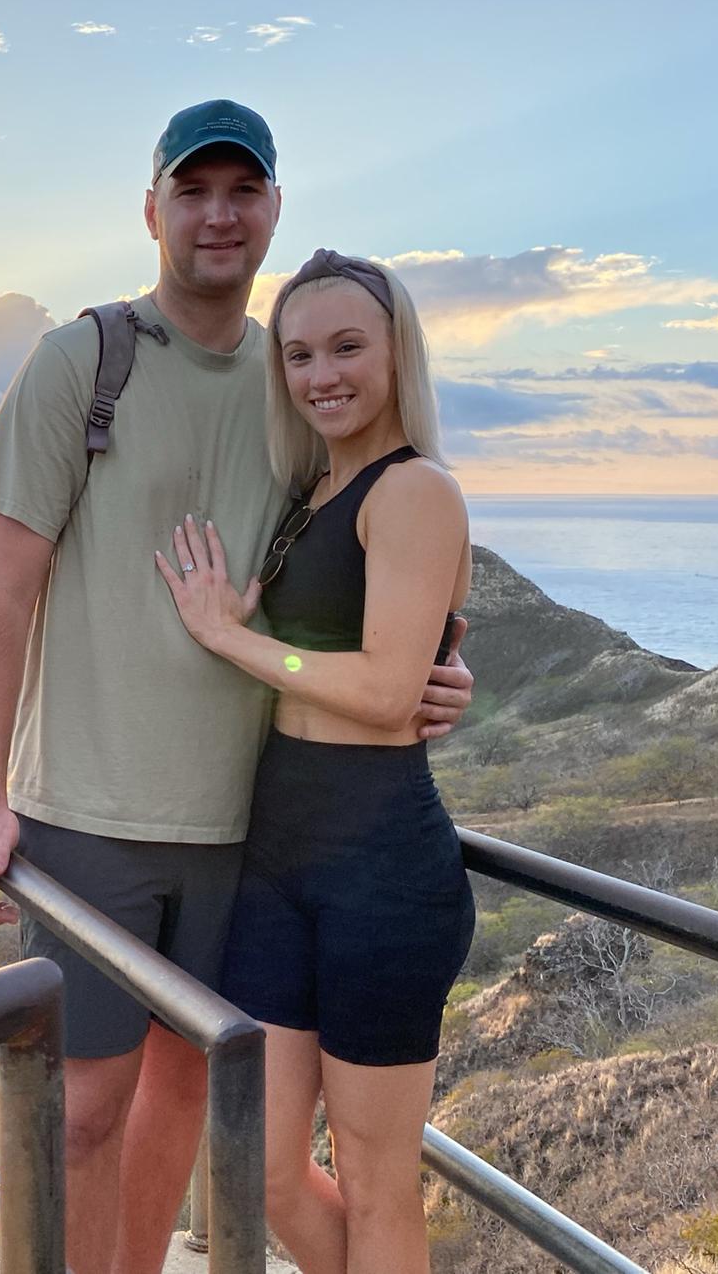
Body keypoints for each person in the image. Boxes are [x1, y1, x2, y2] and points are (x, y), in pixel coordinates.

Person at [0, 101, 475, 1274]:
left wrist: (436, 667)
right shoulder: (82, 361)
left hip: (246, 828)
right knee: (84, 1112)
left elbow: (367, 554)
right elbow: (2, 598)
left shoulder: (291, 382)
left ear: (274, 209)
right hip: (89, 813)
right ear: (152, 211)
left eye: (243, 191)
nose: (218, 215)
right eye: (193, 191)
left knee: (186, 1095)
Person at [154, 248, 475, 1274]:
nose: (320, 374)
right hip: (279, 856)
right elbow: (379, 657)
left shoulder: (413, 489)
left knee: (379, 1189)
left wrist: (230, 637)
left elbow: (384, 692)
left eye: (345, 347)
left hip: (384, 871)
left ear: (395, 352)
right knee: (262, 1168)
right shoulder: (311, 491)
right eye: (298, 355)